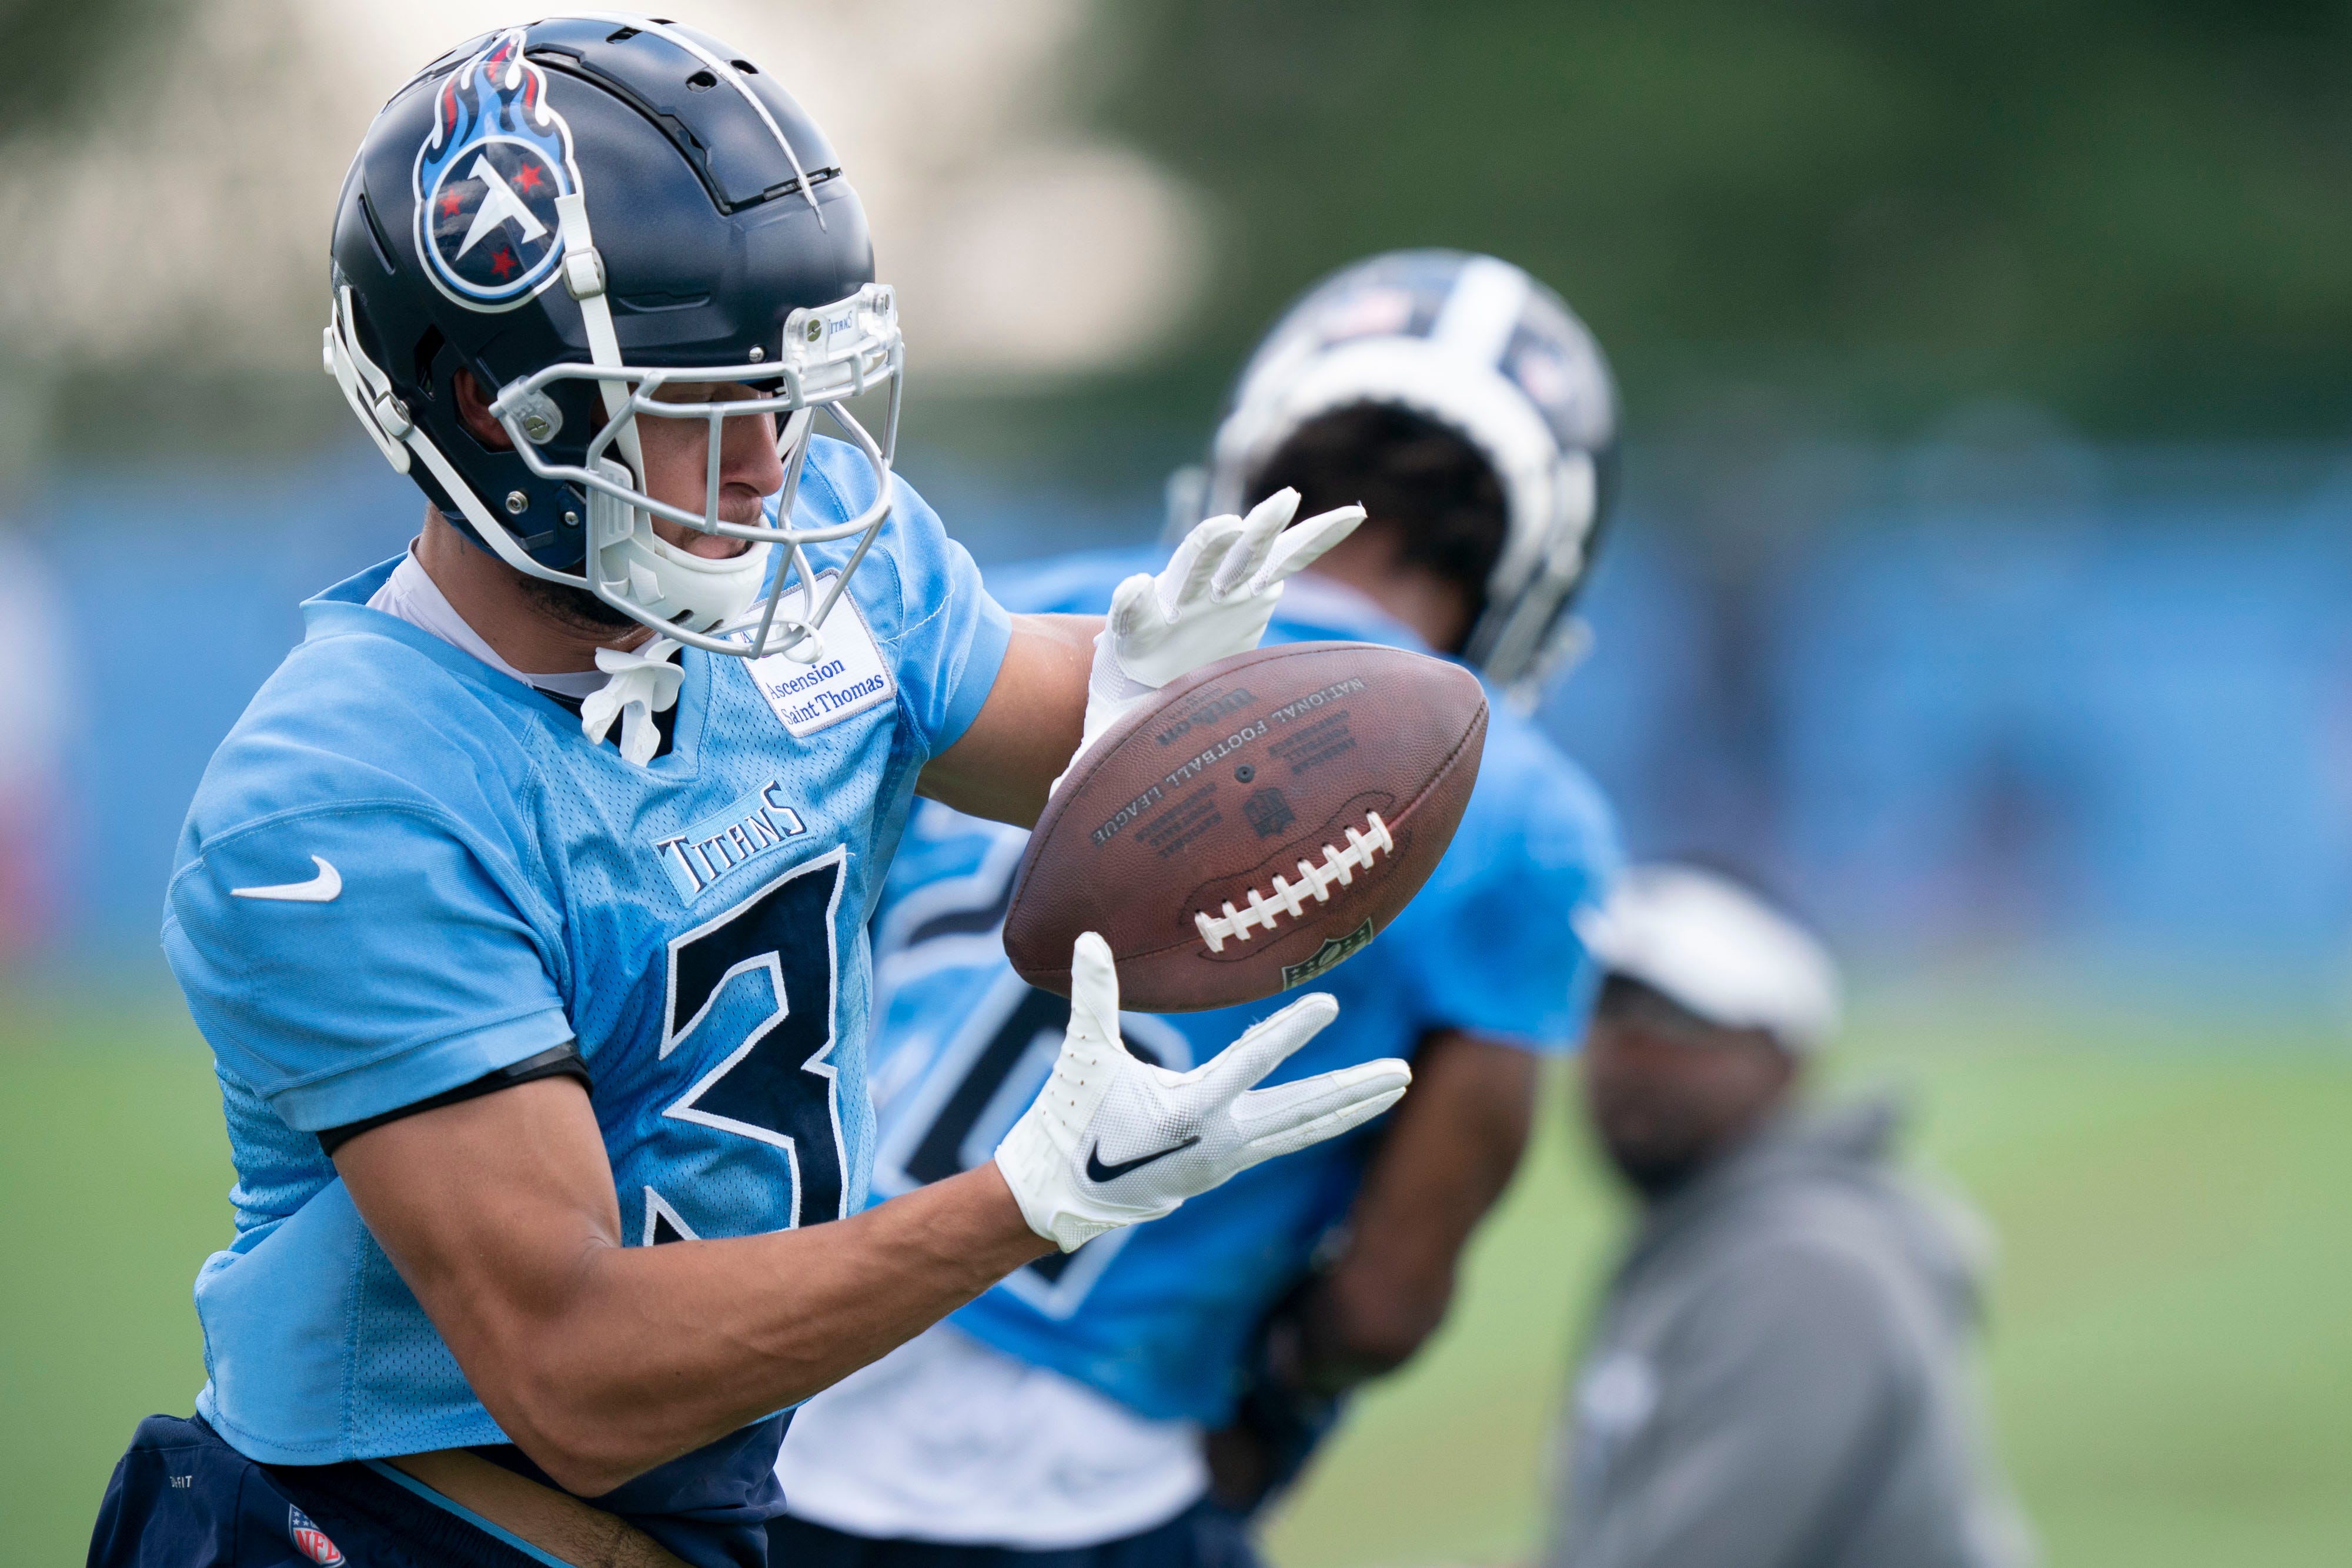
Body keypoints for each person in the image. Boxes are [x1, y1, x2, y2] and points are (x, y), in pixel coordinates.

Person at [86, 19, 1412, 1568]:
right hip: (402, 1532)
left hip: (700, 1518)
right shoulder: (340, 803)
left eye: (782, 396)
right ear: (485, 410)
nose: (773, 466)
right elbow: (578, 1374)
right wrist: (1026, 1198)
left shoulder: (807, 551)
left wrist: (1154, 694)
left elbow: (1065, 736)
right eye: (700, 408)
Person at [771, 249, 1625, 1568]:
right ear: (1535, 558)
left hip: (764, 1369)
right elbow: (1389, 1298)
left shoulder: (1022, 617)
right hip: (1077, 1484)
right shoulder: (1521, 807)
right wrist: (1267, 1421)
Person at [1546, 865, 2035, 1568]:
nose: (1626, 1051)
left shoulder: (1802, 1268)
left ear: (1786, 1056)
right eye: (1604, 1009)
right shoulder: (1714, 1239)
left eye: (1675, 1018)